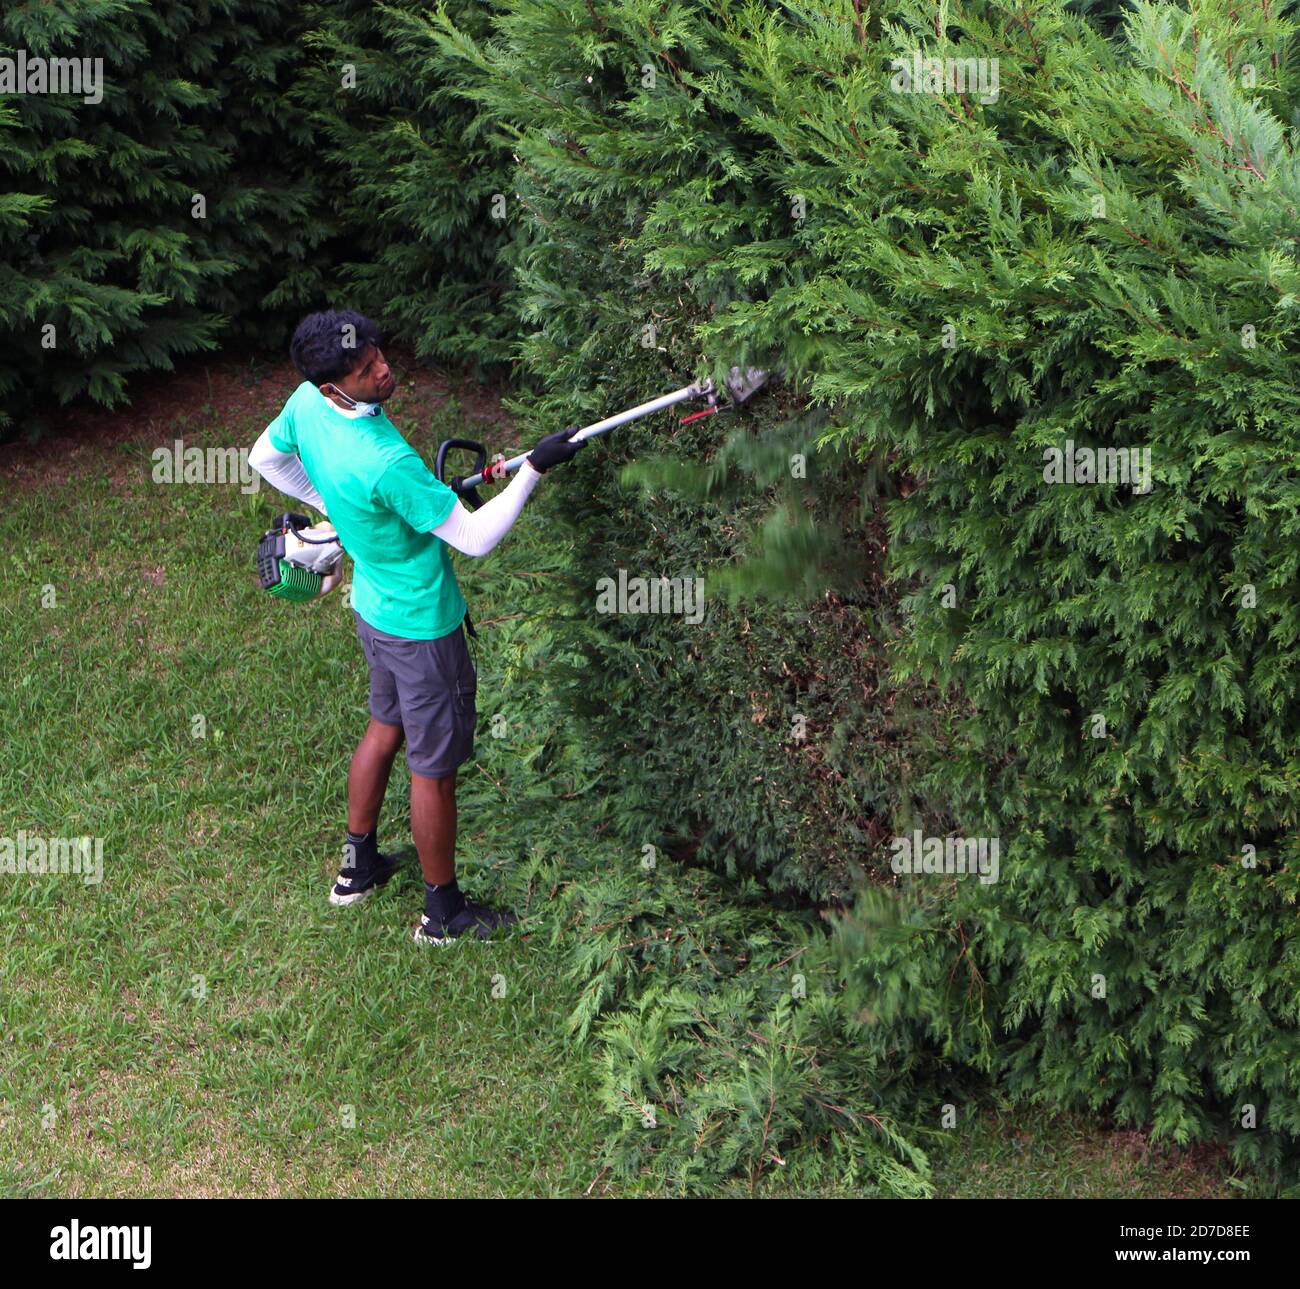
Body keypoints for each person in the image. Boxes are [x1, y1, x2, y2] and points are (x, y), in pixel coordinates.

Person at [249, 309, 583, 944]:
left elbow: (264, 457)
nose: (383, 368)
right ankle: (442, 914)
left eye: (377, 353)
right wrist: (536, 468)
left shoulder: (306, 406)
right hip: (424, 629)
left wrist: (339, 510)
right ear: (332, 388)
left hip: (374, 614)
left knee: (385, 729)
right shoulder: (384, 462)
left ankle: (358, 869)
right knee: (434, 769)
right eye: (366, 368)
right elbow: (476, 537)